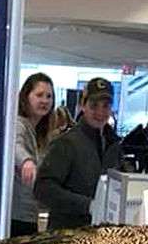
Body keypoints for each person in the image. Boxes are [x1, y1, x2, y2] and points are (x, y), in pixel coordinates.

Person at [35, 77, 123, 230]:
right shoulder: (66, 143)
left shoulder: (113, 145)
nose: (100, 112)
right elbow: (43, 189)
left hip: (101, 236)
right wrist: (88, 205)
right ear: (83, 105)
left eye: (106, 106)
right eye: (94, 105)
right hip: (66, 237)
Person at [12, 73, 55, 237]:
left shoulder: (40, 132)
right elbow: (15, 145)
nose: (44, 100)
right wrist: (26, 161)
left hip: (29, 212)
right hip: (17, 213)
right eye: (39, 95)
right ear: (26, 97)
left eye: (49, 96)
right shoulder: (18, 124)